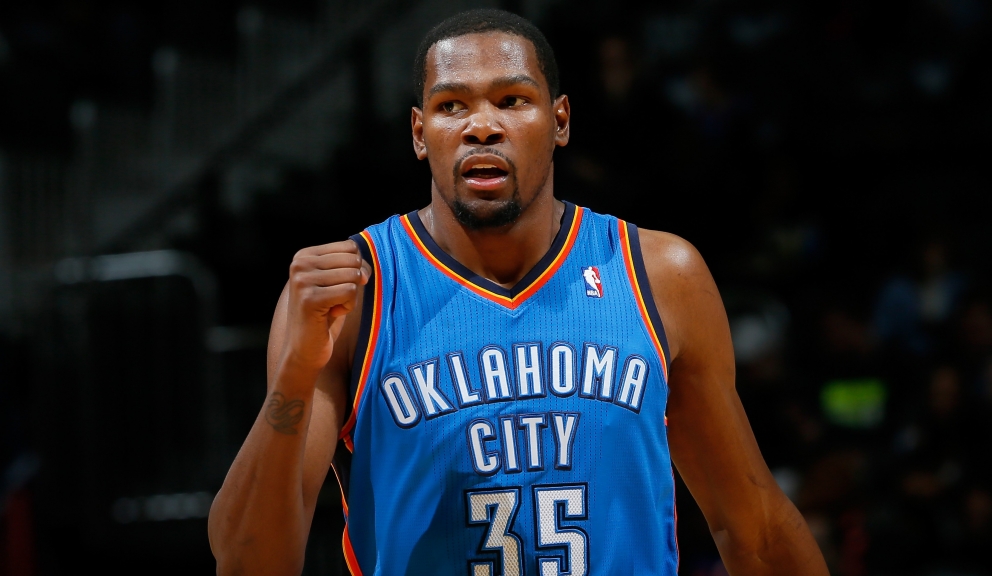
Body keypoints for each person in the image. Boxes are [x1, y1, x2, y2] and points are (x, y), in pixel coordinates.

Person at [208, 9, 828, 576]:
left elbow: (756, 531)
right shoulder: (353, 293)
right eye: (453, 106)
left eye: (511, 100)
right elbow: (248, 560)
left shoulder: (659, 274)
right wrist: (293, 376)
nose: (483, 125)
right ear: (421, 134)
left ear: (559, 121)